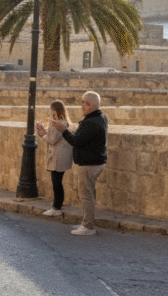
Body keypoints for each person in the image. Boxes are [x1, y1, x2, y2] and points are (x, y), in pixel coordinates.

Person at [51, 91, 108, 235]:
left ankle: (88, 227)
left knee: (86, 196)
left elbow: (77, 141)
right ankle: (87, 222)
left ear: (89, 104)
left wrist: (64, 131)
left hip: (89, 164)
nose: (81, 105)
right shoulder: (100, 118)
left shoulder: (92, 122)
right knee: (90, 194)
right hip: (96, 161)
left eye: (83, 102)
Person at [35, 100, 73, 217]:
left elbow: (52, 140)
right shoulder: (63, 122)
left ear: (55, 110)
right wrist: (45, 131)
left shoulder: (58, 123)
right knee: (57, 181)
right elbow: (54, 136)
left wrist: (42, 135)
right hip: (62, 156)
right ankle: (56, 206)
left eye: (51, 109)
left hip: (57, 157)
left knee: (56, 182)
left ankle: (56, 207)